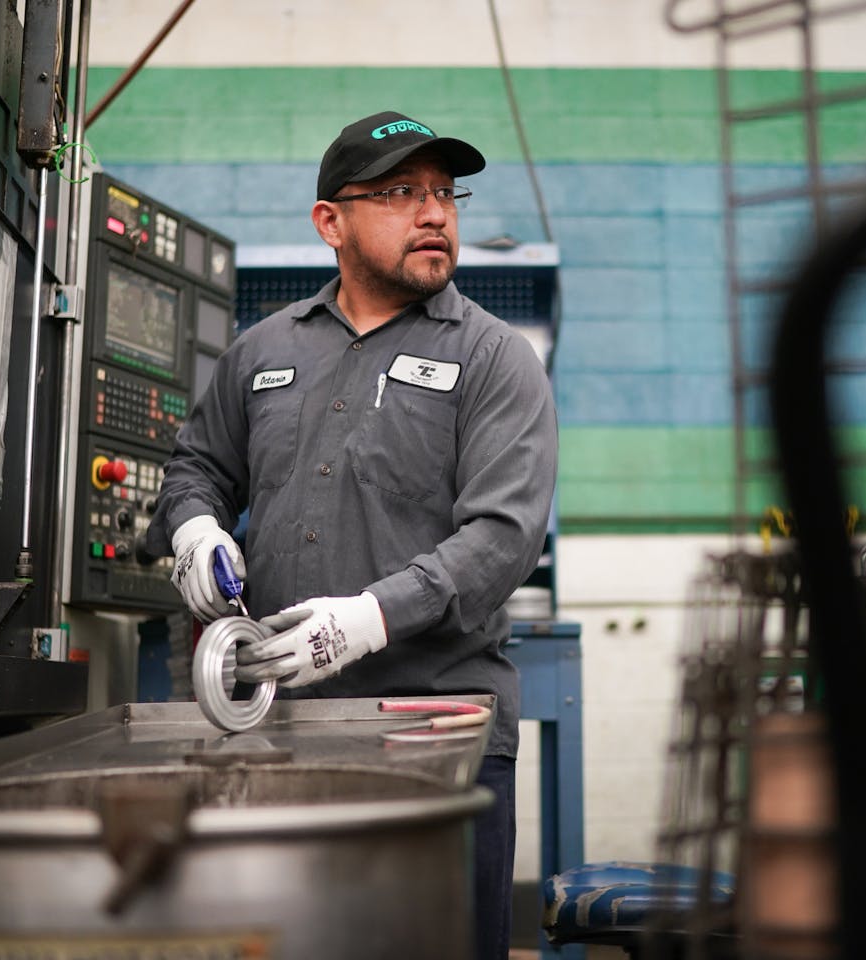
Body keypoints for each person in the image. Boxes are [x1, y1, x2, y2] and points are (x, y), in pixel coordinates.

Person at [148, 110, 558, 958]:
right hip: (277, 734)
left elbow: (503, 536)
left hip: (437, 735)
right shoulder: (263, 351)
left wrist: (366, 619)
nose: (435, 212)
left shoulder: (493, 359)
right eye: (403, 192)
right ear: (330, 221)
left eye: (446, 193)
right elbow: (196, 468)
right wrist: (193, 531)